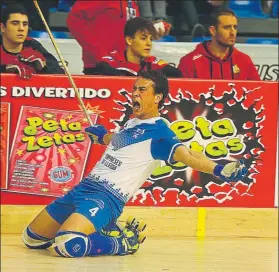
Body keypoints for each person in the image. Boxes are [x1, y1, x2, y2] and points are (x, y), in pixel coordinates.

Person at [22, 70, 247, 258]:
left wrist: (219, 169)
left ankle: (122, 243)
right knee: (31, 239)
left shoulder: (160, 132)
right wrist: (102, 137)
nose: (134, 94)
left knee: (68, 244)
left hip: (106, 197)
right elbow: (122, 142)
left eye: (141, 90)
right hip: (84, 188)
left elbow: (188, 155)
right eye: (134, 89)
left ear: (157, 97)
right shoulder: (133, 123)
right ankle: (103, 228)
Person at [67, 0, 171, 74]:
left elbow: (129, 29)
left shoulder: (133, 2)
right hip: (100, 66)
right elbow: (74, 20)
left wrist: (152, 31)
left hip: (128, 67)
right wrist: (98, 52)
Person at [178, 8, 261, 80]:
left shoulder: (244, 61)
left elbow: (259, 93)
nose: (233, 32)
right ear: (213, 31)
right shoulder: (189, 62)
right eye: (227, 27)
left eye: (234, 27)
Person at [89, 17, 182, 77]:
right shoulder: (112, 61)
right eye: (143, 38)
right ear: (129, 40)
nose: (149, 43)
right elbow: (101, 69)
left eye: (151, 39)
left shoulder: (151, 62)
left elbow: (176, 73)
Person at [0, 3, 64, 79]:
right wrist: (6, 71)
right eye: (15, 23)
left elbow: (60, 73)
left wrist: (42, 67)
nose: (21, 28)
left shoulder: (32, 45)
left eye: (25, 24)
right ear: (2, 27)